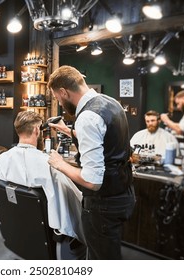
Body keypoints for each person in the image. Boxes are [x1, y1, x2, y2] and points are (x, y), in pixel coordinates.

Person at [47, 65, 135, 260]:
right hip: (123, 192)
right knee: (109, 251)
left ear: (64, 92)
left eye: (57, 98)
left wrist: (60, 163)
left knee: (102, 259)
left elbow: (92, 181)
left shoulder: (86, 117)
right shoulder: (110, 102)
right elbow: (103, 138)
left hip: (104, 204)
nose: (59, 103)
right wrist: (66, 131)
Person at [0, 111, 86, 259]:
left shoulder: (2, 159)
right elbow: (74, 203)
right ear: (37, 130)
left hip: (17, 233)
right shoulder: (49, 165)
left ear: (17, 130)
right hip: (47, 237)